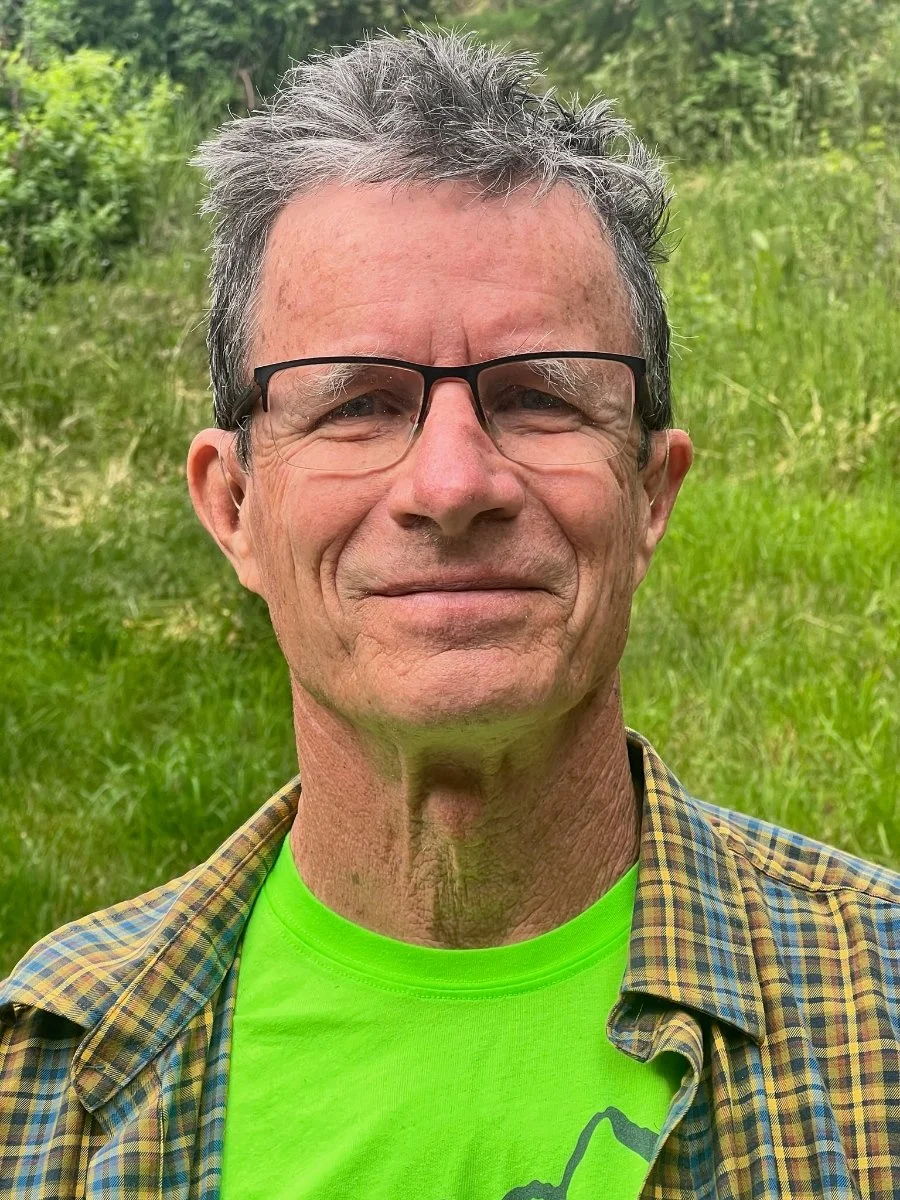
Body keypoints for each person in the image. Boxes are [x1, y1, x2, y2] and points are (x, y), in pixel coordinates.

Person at [2, 26, 898, 1200]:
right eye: (359, 405)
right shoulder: (41, 1075)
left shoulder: (880, 1006)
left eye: (537, 396)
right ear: (233, 505)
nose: (452, 485)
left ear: (650, 492)